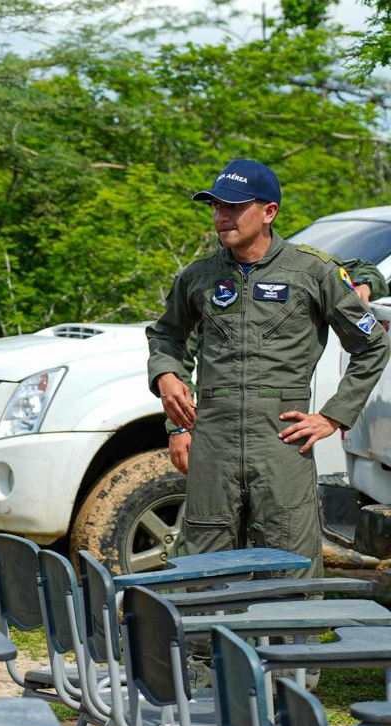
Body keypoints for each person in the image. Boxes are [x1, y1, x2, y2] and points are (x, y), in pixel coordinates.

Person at [147, 159, 389, 579]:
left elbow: (372, 345)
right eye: (216, 207)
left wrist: (332, 416)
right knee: (203, 562)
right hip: (214, 442)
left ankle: (292, 645)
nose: (222, 216)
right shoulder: (199, 276)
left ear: (269, 211)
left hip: (282, 439)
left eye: (234, 207)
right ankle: (207, 647)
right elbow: (167, 336)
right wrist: (167, 379)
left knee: (289, 555)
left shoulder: (314, 272)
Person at [167, 256, 387, 475]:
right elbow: (179, 350)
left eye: (237, 217)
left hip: (280, 436)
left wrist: (364, 283)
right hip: (217, 434)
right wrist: (179, 427)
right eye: (220, 217)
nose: (223, 220)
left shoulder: (304, 266)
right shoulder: (204, 277)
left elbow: (361, 268)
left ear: (267, 218)